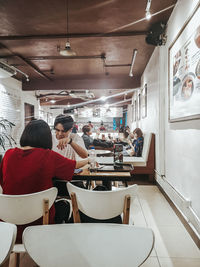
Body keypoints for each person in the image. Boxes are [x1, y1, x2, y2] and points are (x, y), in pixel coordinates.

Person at [0, 119, 90, 243]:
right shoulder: (48, 156)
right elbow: (76, 165)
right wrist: (89, 160)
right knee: (64, 205)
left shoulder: (8, 155)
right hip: (40, 223)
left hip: (9, 224)